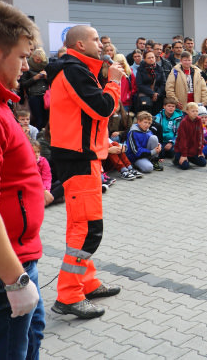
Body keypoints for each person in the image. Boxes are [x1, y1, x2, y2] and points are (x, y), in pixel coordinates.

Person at [46, 24, 122, 319]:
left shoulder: (76, 68)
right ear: (79, 44)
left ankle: (86, 283)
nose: (101, 44)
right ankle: (69, 296)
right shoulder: (74, 70)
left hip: (80, 156)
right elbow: (102, 108)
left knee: (80, 225)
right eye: (94, 39)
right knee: (88, 230)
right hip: (78, 158)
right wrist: (113, 82)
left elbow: (87, 118)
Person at [0, 0, 45, 356]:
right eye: (23, 56)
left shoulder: (0, 102)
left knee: (30, 338)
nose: (27, 65)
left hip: (18, 257)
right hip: (3, 273)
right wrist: (14, 280)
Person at [20, 47, 49, 130]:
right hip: (34, 96)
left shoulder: (46, 66)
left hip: (47, 95)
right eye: (37, 59)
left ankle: (46, 136)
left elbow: (53, 81)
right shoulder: (28, 67)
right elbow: (23, 84)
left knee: (47, 118)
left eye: (41, 60)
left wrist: (47, 77)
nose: (39, 62)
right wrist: (35, 78)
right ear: (33, 57)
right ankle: (39, 136)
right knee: (39, 119)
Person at [173, 102, 207, 170]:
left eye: (196, 111)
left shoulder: (199, 120)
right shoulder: (184, 122)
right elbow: (183, 140)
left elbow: (200, 136)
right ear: (187, 111)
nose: (195, 113)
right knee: (185, 167)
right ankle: (177, 158)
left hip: (193, 150)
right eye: (193, 111)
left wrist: (200, 151)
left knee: (203, 163)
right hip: (182, 150)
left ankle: (189, 158)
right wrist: (184, 155)